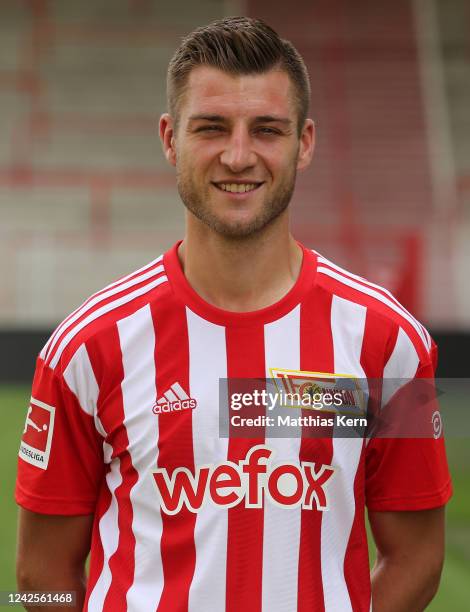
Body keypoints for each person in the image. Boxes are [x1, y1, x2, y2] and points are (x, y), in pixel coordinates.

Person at [16, 16, 452, 612]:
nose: (239, 155)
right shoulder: (88, 348)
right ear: (170, 138)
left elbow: (418, 557)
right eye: (212, 128)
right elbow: (38, 574)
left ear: (304, 142)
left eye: (267, 129)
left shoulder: (388, 344)